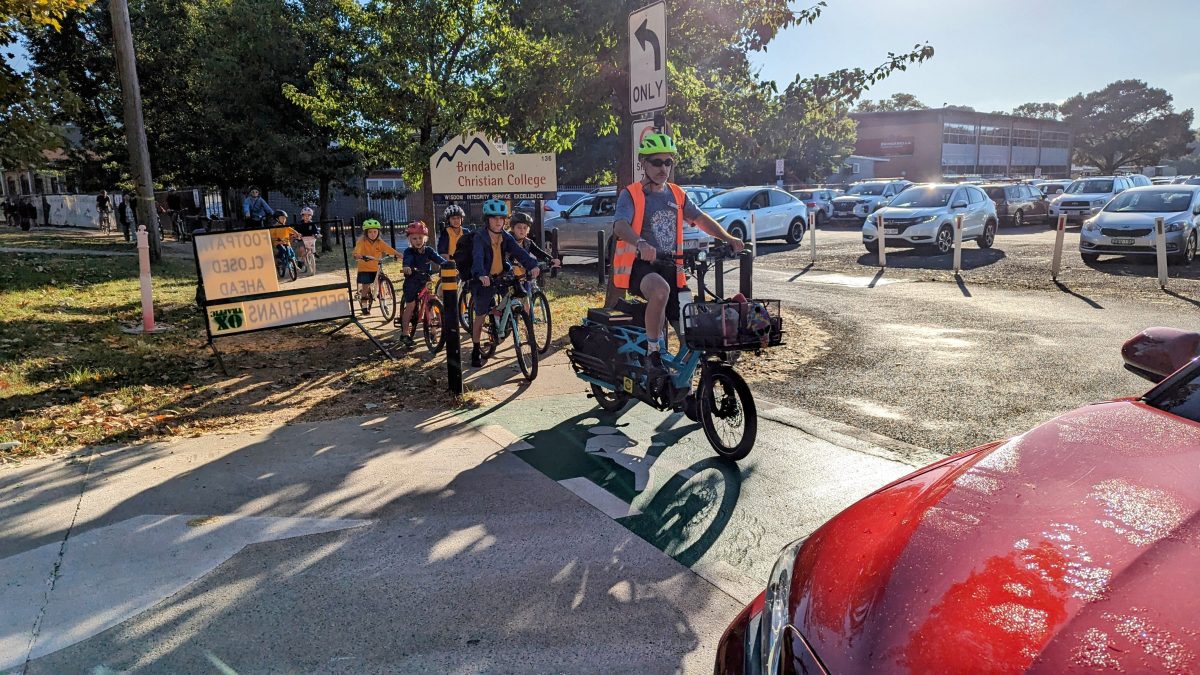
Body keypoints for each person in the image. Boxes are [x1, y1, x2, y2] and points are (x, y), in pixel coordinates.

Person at [611, 132, 744, 376]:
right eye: (657, 162)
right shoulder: (630, 194)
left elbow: (700, 219)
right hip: (641, 266)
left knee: (688, 326)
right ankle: (653, 352)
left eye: (668, 162)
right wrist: (640, 243)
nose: (663, 168)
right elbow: (620, 225)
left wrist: (728, 238)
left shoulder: (677, 193)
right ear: (644, 164)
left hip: (673, 266)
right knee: (660, 290)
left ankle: (687, 384)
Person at [469, 199, 540, 368]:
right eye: (494, 218)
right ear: (487, 220)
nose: (498, 222)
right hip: (483, 279)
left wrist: (532, 265)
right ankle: (476, 348)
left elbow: (519, 252)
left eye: (501, 219)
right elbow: (477, 258)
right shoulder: (480, 237)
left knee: (518, 293)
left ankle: (504, 319)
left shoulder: (506, 236)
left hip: (502, 275)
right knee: (480, 315)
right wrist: (481, 275)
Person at [395, 221, 448, 346]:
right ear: (409, 240)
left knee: (431, 298)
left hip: (426, 279)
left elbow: (439, 259)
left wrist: (447, 264)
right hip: (412, 281)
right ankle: (405, 333)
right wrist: (407, 267)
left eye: (420, 238)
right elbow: (407, 261)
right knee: (411, 305)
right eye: (414, 238)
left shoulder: (429, 250)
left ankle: (433, 329)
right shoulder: (409, 252)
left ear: (425, 238)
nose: (418, 241)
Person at [352, 219, 400, 316]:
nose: (373, 234)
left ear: (378, 232)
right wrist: (357, 255)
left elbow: (387, 248)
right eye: (370, 232)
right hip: (365, 267)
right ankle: (364, 305)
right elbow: (357, 250)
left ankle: (382, 297)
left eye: (375, 231)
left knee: (381, 280)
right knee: (366, 285)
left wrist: (398, 254)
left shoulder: (379, 242)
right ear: (366, 233)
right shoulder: (362, 241)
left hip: (376, 266)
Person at [507, 212, 560, 298]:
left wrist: (551, 260)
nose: (522, 230)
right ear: (513, 228)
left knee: (526, 302)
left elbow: (539, 253)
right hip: (509, 276)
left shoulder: (528, 242)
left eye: (525, 228)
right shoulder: (507, 241)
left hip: (523, 275)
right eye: (519, 227)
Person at [268, 210, 300, 278]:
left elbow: (292, 231)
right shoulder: (274, 227)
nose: (284, 219)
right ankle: (280, 260)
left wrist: (297, 234)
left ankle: (295, 265)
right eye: (282, 218)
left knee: (292, 253)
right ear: (277, 219)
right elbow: (271, 235)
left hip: (286, 243)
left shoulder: (286, 226)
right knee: (282, 250)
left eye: (285, 218)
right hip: (278, 243)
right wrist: (276, 240)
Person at [294, 206, 320, 273]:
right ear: (302, 216)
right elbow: (296, 231)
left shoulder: (312, 224)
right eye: (305, 215)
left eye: (308, 215)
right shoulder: (300, 224)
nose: (307, 217)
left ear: (311, 216)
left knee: (312, 246)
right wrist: (297, 235)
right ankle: (300, 263)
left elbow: (316, 230)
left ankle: (313, 253)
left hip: (310, 239)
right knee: (302, 251)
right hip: (301, 239)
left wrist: (316, 234)